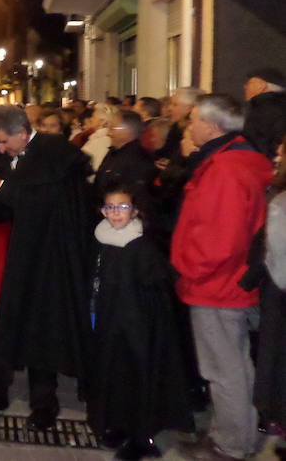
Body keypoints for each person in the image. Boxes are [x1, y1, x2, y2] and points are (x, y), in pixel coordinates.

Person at [0, 105, 94, 431]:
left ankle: (44, 404)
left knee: (43, 330)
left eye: (4, 142)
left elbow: (44, 202)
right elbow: (4, 208)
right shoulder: (14, 154)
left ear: (22, 133)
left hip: (51, 261)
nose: (0, 148)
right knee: (7, 323)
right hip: (21, 254)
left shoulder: (55, 152)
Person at [171, 94, 272, 461]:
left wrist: (188, 267)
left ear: (213, 127)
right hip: (227, 282)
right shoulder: (239, 160)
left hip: (216, 285)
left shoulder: (225, 170)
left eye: (193, 120)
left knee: (224, 369)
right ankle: (229, 434)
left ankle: (230, 445)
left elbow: (219, 239)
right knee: (233, 365)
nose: (188, 126)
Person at [87, 184, 193, 460]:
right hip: (110, 323)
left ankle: (141, 435)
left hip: (138, 327)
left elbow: (156, 290)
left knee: (138, 377)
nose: (115, 213)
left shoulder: (143, 246)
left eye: (122, 207)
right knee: (114, 375)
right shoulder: (101, 239)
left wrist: (140, 324)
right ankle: (120, 424)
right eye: (109, 207)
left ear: (134, 211)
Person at [255, 135, 286, 437]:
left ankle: (275, 417)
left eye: (282, 150)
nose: (276, 154)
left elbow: (278, 263)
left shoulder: (280, 201)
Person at [94, 110, 156, 205]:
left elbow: (138, 197)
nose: (108, 133)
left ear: (127, 130)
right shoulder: (114, 152)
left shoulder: (138, 160)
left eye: (112, 128)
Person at [242, 67, 286, 161]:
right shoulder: (278, 107)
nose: (245, 87)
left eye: (249, 83)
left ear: (261, 85)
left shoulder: (263, 111)